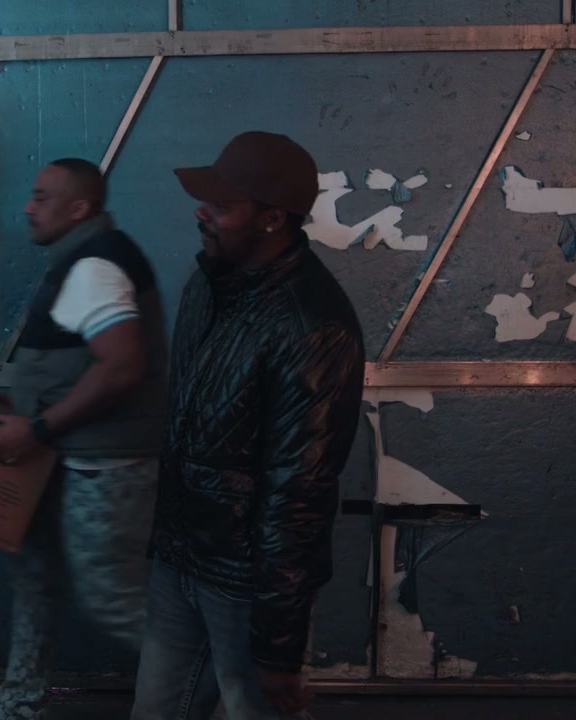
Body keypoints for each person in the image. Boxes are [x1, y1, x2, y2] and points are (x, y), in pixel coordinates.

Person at [131, 132, 366, 720]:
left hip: (244, 587)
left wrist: (278, 645)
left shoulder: (313, 326)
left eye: (221, 205)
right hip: (180, 560)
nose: (201, 213)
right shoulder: (209, 285)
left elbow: (299, 493)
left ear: (272, 218)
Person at [0, 158, 169, 720]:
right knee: (35, 579)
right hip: (62, 457)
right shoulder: (82, 260)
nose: (28, 208)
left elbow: (122, 366)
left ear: (79, 208)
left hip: (103, 464)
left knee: (113, 597)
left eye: (42, 197)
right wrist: (28, 407)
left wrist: (37, 426)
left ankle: (229, 694)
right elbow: (80, 362)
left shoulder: (95, 266)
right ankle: (19, 706)